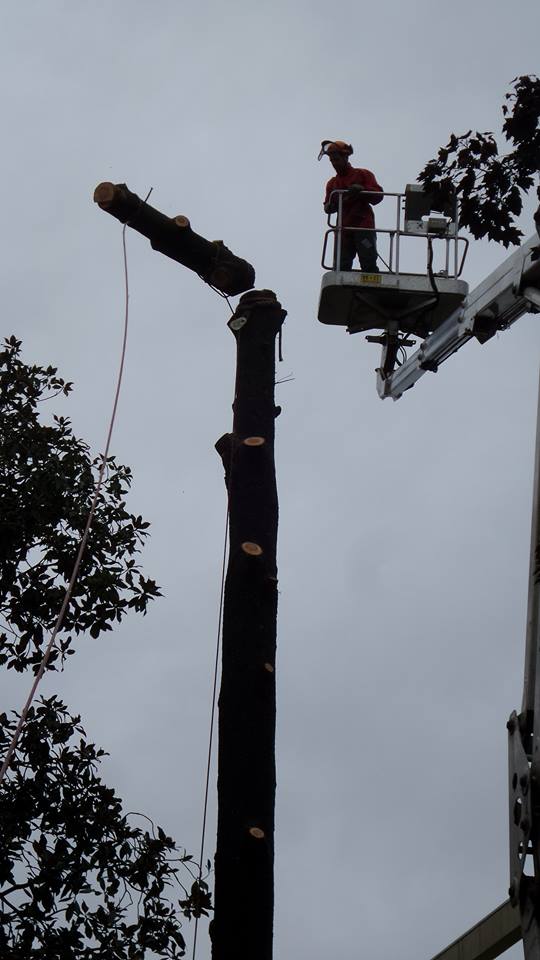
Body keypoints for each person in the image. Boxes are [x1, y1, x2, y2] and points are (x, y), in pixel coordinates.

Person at [319, 140, 383, 272]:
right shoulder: (332, 183)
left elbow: (378, 196)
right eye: (331, 161)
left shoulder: (363, 174)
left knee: (368, 260)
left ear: (345, 157)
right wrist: (330, 207)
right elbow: (327, 206)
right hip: (343, 229)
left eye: (336, 159)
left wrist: (362, 190)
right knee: (341, 264)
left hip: (363, 226)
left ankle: (370, 281)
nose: (334, 163)